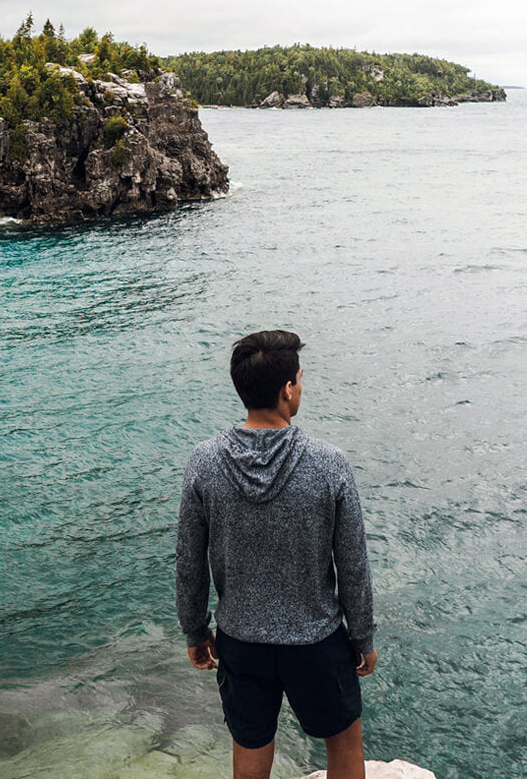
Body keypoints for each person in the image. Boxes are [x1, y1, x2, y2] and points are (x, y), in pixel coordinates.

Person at [176, 329, 377, 779]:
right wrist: (362, 636)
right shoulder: (329, 463)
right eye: (300, 380)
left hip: (241, 641)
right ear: (287, 389)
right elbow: (353, 564)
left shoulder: (204, 462)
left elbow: (189, 560)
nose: (300, 387)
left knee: (250, 750)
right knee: (344, 744)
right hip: (316, 642)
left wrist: (195, 631)